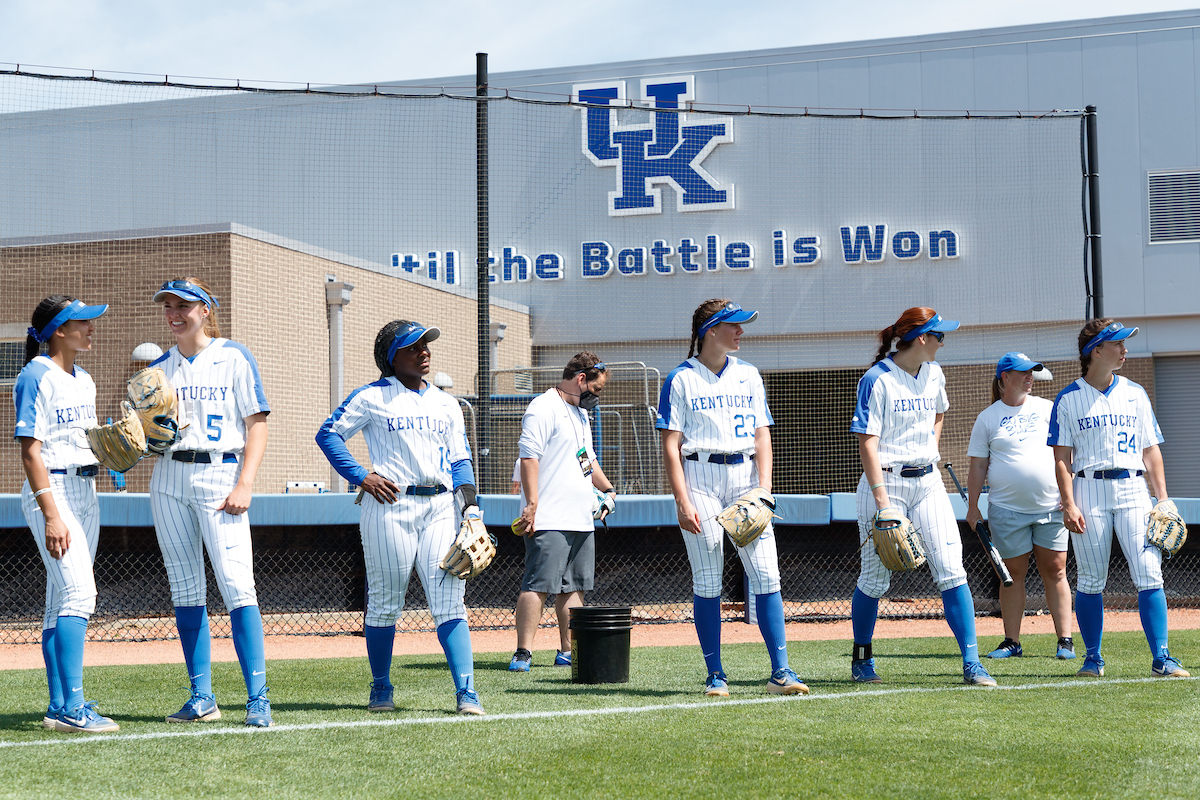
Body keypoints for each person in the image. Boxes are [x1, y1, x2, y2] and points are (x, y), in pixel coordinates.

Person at [316, 319, 488, 715]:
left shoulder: (447, 403)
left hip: (442, 506)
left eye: (425, 344)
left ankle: (466, 692)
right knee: (385, 602)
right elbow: (328, 434)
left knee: (448, 600)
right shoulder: (372, 397)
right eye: (413, 347)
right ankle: (381, 687)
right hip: (390, 506)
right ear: (392, 357)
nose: (424, 351)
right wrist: (362, 475)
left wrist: (471, 508)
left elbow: (461, 461)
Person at [656, 299, 808, 697]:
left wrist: (765, 489)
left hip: (744, 479)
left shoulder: (749, 374)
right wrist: (681, 499)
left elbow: (762, 437)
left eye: (742, 325)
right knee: (708, 577)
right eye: (734, 325)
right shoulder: (680, 378)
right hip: (700, 477)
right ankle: (716, 675)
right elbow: (670, 446)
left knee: (767, 573)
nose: (741, 331)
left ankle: (782, 671)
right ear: (711, 330)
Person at [148, 277, 274, 727]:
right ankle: (202, 696)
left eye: (183, 305)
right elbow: (152, 435)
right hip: (167, 478)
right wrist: (138, 437)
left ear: (205, 309)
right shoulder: (159, 370)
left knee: (238, 586)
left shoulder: (233, 356)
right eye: (168, 306)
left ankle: (257, 698)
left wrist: (245, 482)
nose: (174, 314)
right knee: (184, 589)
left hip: (221, 473)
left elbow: (256, 424)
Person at [850, 307, 996, 686]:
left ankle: (972, 662)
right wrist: (883, 503)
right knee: (874, 579)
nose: (943, 342)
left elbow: (939, 412)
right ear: (920, 338)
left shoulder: (933, 373)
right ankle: (862, 657)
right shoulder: (877, 379)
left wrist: (930, 447)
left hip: (928, 483)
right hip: (885, 483)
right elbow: (867, 441)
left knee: (951, 569)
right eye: (939, 336)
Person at [1048, 319, 1189, 679]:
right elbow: (1061, 459)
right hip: (1089, 489)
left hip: (1132, 488)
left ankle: (1162, 657)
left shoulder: (1135, 393)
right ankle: (1092, 658)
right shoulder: (1068, 398)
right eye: (1117, 343)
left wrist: (1163, 499)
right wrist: (1068, 503)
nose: (1125, 349)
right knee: (1092, 579)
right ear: (1096, 350)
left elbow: (1150, 451)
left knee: (1148, 573)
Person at [14, 296, 119, 733]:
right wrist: (51, 513)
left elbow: (84, 439)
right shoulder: (35, 374)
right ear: (59, 329)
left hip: (85, 488)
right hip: (52, 491)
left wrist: (120, 445)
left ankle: (59, 706)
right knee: (80, 595)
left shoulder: (85, 379)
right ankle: (74, 707)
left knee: (60, 601)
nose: (91, 328)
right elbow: (30, 449)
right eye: (83, 322)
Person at [509, 353, 616, 671]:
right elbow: (529, 457)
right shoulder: (543, 408)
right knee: (538, 585)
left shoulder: (581, 415)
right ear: (581, 379)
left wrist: (608, 490)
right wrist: (531, 506)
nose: (596, 397)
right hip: (549, 517)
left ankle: (567, 652)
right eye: (596, 390)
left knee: (574, 587)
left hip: (580, 518)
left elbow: (585, 458)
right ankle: (523, 653)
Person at [967, 353, 1075, 661]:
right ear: (1004, 378)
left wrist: (1069, 501)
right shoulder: (987, 417)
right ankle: (1011, 642)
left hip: (1051, 507)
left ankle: (1065, 640)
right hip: (1006, 509)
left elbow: (1064, 454)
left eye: (1032, 373)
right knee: (1011, 574)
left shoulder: (1047, 409)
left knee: (1056, 570)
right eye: (1022, 372)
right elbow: (977, 466)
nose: (1030, 377)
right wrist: (973, 507)